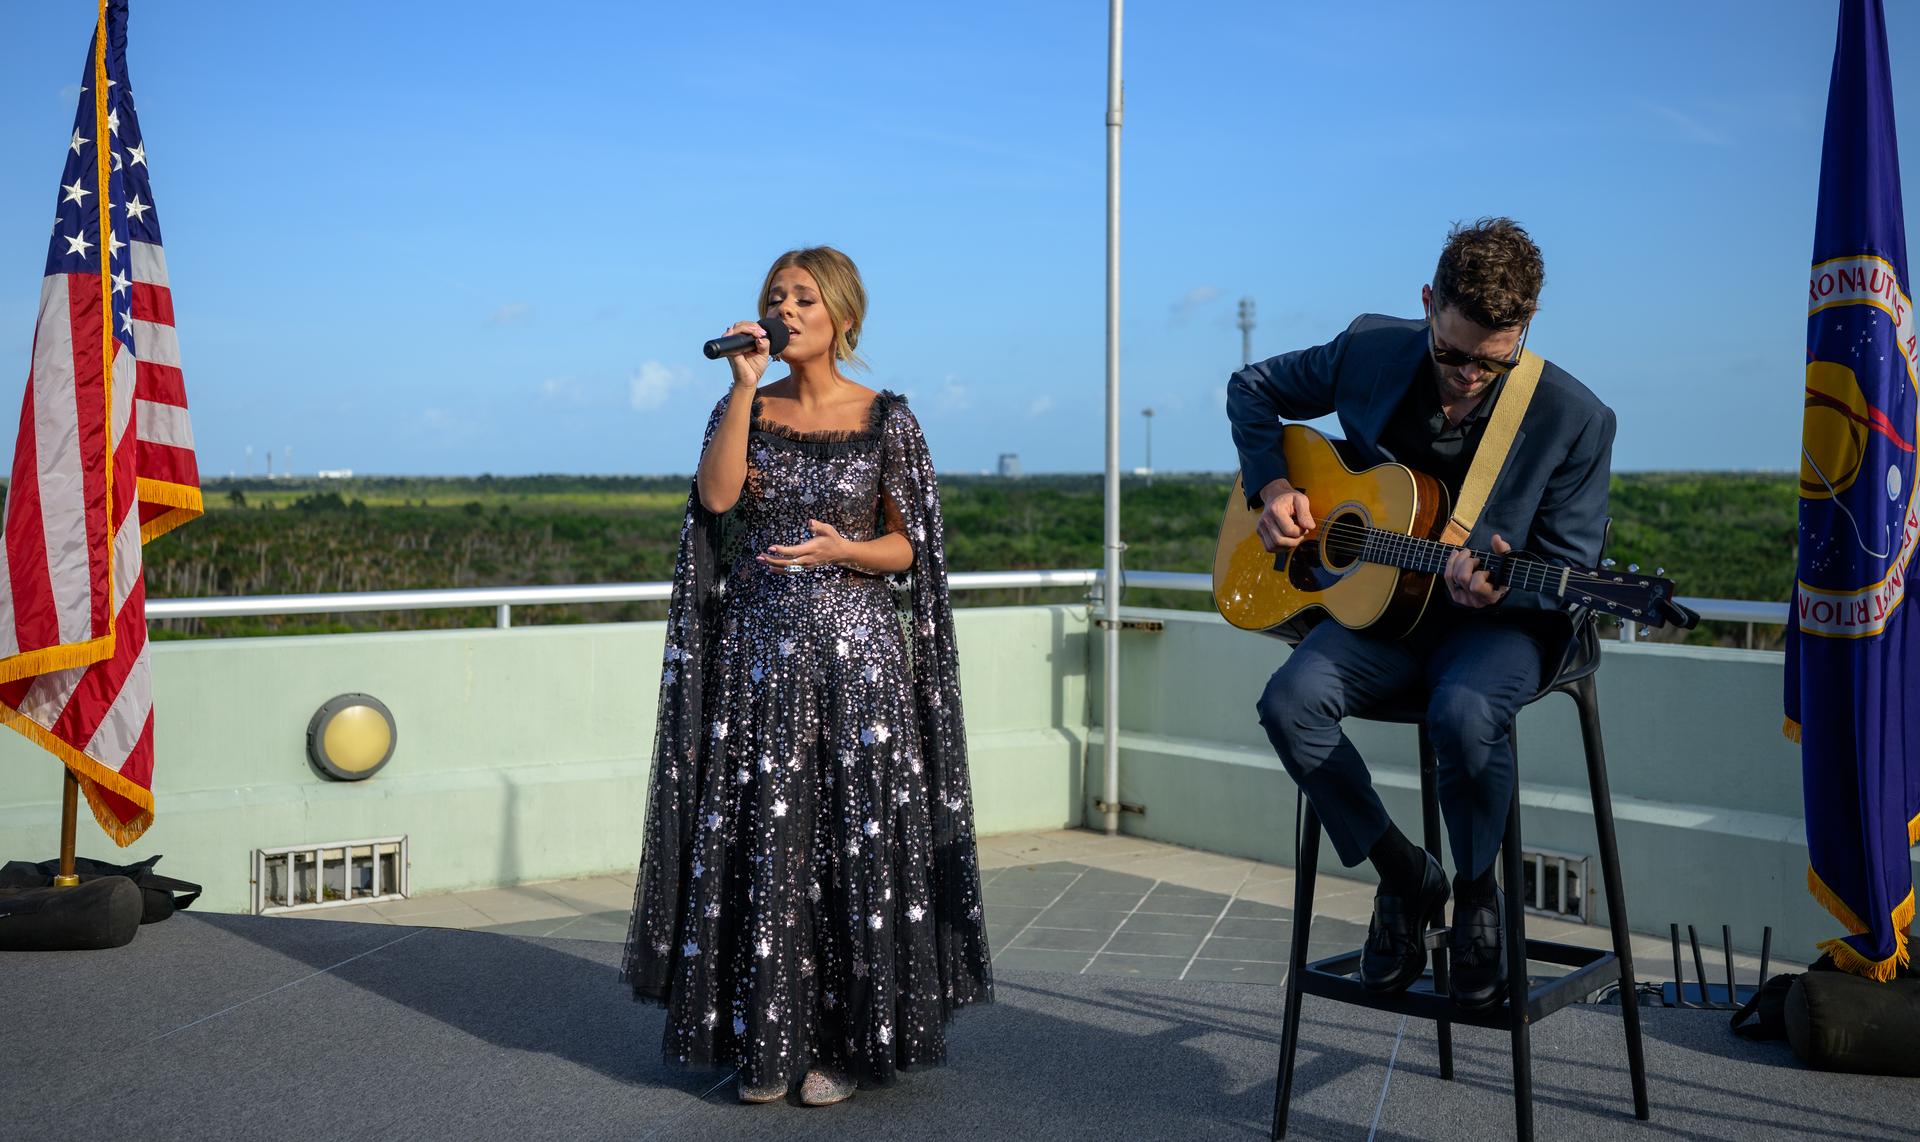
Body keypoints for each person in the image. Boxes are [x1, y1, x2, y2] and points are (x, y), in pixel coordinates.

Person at [622, 246, 992, 1105]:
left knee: (851, 853)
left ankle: (843, 1047)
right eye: (774, 297)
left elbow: (911, 547)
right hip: (760, 664)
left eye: (803, 299)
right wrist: (745, 387)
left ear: (843, 318)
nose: (785, 310)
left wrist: (844, 550)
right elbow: (715, 501)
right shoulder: (744, 404)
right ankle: (764, 1042)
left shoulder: (888, 418)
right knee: (770, 847)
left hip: (859, 671)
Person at [1226, 218, 1615, 1009]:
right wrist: (1272, 486)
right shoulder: (1371, 348)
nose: (1468, 375)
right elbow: (1253, 389)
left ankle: (1476, 896)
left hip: (1498, 625)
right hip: (1386, 610)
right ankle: (1405, 878)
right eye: (1451, 352)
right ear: (1429, 303)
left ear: (1526, 329)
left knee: (1464, 713)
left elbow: (1572, 570)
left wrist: (1504, 585)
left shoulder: (1575, 417)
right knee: (1288, 703)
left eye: (1491, 360)